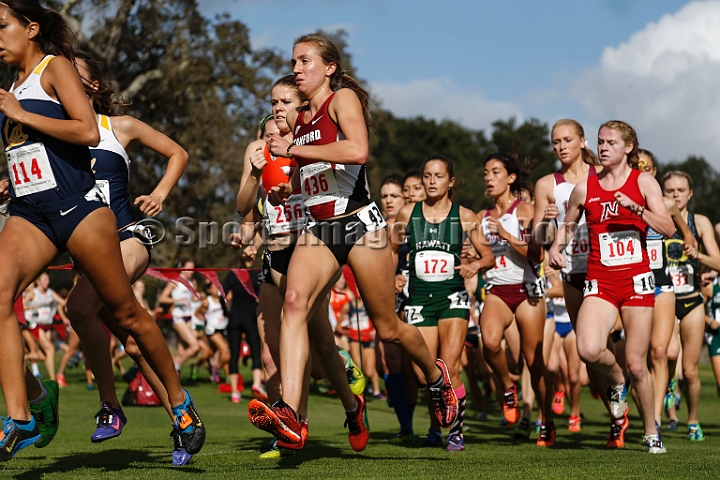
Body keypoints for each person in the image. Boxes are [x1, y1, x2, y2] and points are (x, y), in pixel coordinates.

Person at [0, 0, 202, 461]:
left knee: (124, 314)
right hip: (31, 212)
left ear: (30, 28)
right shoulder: (10, 86)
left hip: (82, 211)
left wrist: (22, 112)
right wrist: (9, 179)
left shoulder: (55, 69)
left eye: (2, 26)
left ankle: (179, 401)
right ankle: (23, 416)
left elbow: (88, 131)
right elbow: (30, 153)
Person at [254, 33, 458, 449]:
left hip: (361, 224)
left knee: (388, 330)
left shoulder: (340, 99)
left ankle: (437, 379)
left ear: (329, 68)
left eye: (305, 61)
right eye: (294, 62)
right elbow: (309, 177)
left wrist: (293, 148)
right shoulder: (301, 119)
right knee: (294, 303)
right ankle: (290, 415)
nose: (297, 68)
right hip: (319, 229)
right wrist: (286, 189)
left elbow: (358, 150)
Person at [237, 75, 368, 456]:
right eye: (273, 101)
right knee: (268, 353)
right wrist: (255, 172)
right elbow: (244, 206)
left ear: (302, 106)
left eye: (285, 101)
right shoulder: (258, 147)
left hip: (310, 249)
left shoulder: (312, 140)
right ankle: (289, 427)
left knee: (321, 349)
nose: (277, 108)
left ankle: (351, 407)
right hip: (273, 255)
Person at [549, 120, 675, 453]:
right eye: (601, 142)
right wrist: (555, 248)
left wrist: (637, 208)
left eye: (611, 143)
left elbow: (669, 227)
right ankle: (617, 380)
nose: (604, 148)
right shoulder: (585, 188)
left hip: (637, 282)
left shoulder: (643, 182)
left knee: (638, 363)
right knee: (588, 349)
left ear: (628, 148)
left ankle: (651, 430)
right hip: (600, 280)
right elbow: (568, 224)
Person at [394, 155, 495, 451]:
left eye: (439, 176)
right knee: (424, 372)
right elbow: (390, 250)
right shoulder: (406, 214)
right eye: (427, 176)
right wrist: (393, 277)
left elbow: (488, 255)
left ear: (450, 182)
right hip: (419, 298)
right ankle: (436, 424)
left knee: (449, 364)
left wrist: (474, 266)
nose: (432, 181)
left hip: (452, 297)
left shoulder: (465, 216)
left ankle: (455, 431)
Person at [479, 152, 554, 446]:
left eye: (495, 172)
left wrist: (508, 236)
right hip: (497, 289)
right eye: (486, 173)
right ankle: (508, 389)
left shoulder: (524, 210)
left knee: (534, 362)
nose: (488, 177)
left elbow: (539, 255)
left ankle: (546, 420)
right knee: (490, 342)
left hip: (526, 289)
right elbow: (484, 255)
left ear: (510, 178)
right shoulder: (482, 217)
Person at [532, 119, 600, 432]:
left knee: (600, 347)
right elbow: (537, 239)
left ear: (583, 141)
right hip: (569, 271)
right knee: (586, 348)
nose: (561, 146)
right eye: (556, 141)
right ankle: (605, 385)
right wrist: (546, 222)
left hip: (602, 267)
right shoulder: (548, 185)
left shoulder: (602, 176)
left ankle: (616, 400)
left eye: (568, 139)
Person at [637, 150, 695, 429]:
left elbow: (685, 234)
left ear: (654, 171)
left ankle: (657, 417)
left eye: (646, 166)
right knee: (634, 353)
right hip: (631, 285)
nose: (641, 170)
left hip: (661, 283)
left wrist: (691, 245)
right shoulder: (621, 201)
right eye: (636, 166)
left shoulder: (665, 204)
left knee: (662, 352)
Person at [661, 170, 720, 441]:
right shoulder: (657, 220)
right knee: (667, 352)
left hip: (692, 299)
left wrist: (699, 255)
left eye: (680, 190)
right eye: (670, 190)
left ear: (690, 193)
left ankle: (693, 419)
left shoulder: (701, 222)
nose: (675, 195)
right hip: (664, 298)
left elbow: (718, 263)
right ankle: (668, 386)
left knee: (691, 371)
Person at [222, 260, 261, 403]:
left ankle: (234, 393)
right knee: (256, 352)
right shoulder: (256, 275)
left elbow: (222, 294)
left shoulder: (232, 275)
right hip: (251, 317)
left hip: (234, 317)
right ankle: (257, 384)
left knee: (234, 355)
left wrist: (224, 310)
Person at [24, 272, 68, 383]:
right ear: (38, 281)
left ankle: (20, 358)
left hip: (47, 325)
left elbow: (62, 302)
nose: (47, 282)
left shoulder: (50, 292)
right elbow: (22, 306)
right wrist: (30, 307)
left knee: (45, 355)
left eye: (48, 280)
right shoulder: (34, 293)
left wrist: (74, 293)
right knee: (50, 349)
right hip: (35, 325)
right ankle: (53, 379)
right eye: (44, 280)